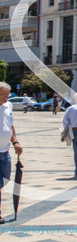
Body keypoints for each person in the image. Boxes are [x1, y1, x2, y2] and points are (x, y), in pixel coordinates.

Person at [0, 82, 24, 224]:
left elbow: (10, 125)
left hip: (5, 152)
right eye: (3, 95)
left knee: (5, 181)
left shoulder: (8, 105)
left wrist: (15, 142)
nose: (6, 98)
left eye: (7, 95)